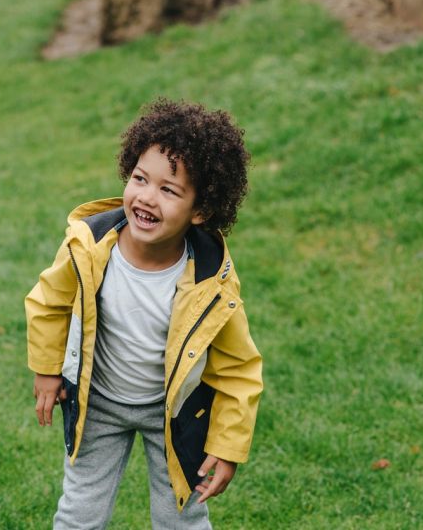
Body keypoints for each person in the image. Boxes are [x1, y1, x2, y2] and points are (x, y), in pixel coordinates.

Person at [25, 98, 263, 529]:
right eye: (140, 178)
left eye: (169, 190)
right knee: (79, 512)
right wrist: (47, 369)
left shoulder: (212, 280)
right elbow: (49, 302)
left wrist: (227, 445)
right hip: (98, 402)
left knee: (182, 518)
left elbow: (238, 367)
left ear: (200, 210)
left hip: (172, 414)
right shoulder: (88, 246)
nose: (147, 197)